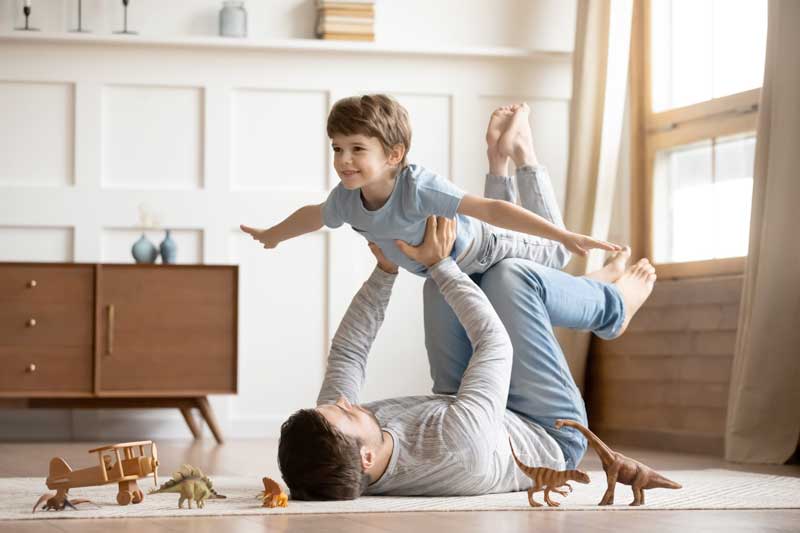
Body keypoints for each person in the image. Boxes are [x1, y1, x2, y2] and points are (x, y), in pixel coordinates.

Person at [277, 215, 656, 500]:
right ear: (366, 460)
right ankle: (612, 306)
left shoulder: (338, 439)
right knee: (509, 278)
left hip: (464, 404)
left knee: (441, 288)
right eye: (345, 413)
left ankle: (585, 287)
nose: (344, 403)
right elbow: (495, 344)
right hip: (548, 429)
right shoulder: (457, 447)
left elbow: (349, 352)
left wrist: (385, 270)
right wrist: (442, 264)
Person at [240, 95, 621, 279]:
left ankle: (522, 154)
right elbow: (314, 216)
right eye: (338, 148)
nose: (343, 160)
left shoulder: (417, 187)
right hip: (456, 267)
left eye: (357, 149)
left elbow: (489, 210)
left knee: (558, 256)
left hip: (484, 247)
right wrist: (274, 235)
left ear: (394, 154)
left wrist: (563, 234)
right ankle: (500, 155)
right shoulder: (346, 199)